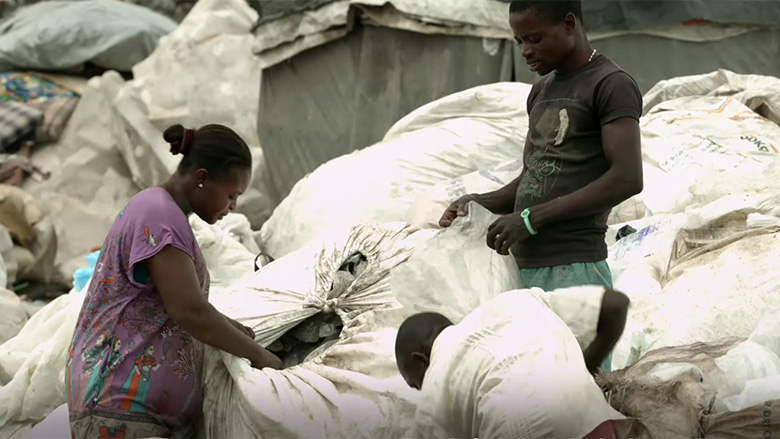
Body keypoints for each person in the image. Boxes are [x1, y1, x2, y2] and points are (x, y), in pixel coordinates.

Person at [439, 0, 642, 373]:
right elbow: (533, 175)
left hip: (573, 265)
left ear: (569, 24)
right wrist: (478, 202)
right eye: (518, 41)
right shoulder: (541, 91)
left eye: (534, 38)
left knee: (579, 386)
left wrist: (531, 219)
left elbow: (627, 177)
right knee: (532, 385)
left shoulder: (610, 84)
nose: (525, 51)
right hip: (526, 266)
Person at [66, 124, 282, 438]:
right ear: (202, 178)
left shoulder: (163, 212)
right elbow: (189, 310)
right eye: (231, 194)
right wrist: (260, 356)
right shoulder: (159, 216)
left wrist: (236, 330)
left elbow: (171, 304)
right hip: (119, 406)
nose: (233, 206)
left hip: (133, 410)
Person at [395, 286, 630, 439]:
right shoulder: (517, 300)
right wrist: (586, 368)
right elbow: (615, 304)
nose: (420, 390)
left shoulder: (437, 379)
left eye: (415, 383)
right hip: (595, 428)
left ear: (421, 359)